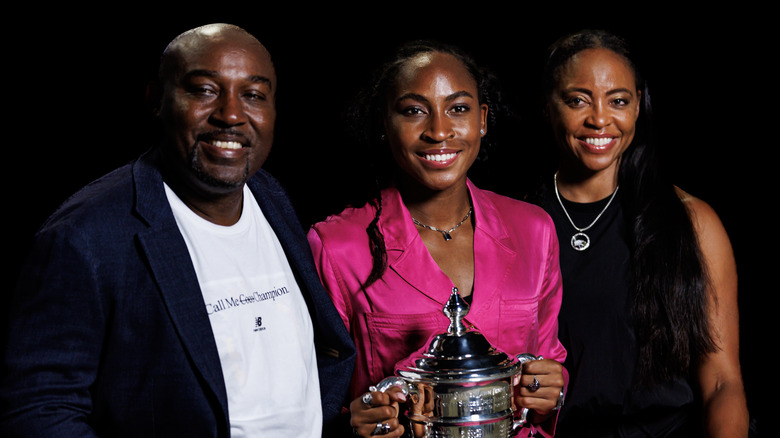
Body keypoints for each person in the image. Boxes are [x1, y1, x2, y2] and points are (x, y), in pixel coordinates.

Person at [0, 23, 355, 437]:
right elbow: (39, 409)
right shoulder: (85, 238)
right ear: (157, 99)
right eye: (205, 90)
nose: (232, 115)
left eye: (253, 95)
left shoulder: (267, 194)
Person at [307, 40, 567, 438]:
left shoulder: (534, 229)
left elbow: (549, 361)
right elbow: (317, 396)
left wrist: (551, 389)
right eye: (413, 111)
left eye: (458, 109)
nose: (439, 130)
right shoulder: (337, 246)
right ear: (383, 123)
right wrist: (350, 423)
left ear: (482, 119)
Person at [526, 29, 749, 437]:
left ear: (638, 107)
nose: (599, 119)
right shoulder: (514, 222)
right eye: (578, 100)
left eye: (618, 101)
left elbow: (722, 382)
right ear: (547, 108)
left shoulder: (690, 220)